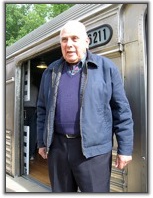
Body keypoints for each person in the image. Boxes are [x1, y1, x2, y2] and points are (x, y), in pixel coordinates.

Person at [37, 20, 134, 192]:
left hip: (93, 152)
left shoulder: (106, 68)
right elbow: (42, 110)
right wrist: (42, 142)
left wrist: (125, 149)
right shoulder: (50, 72)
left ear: (86, 41)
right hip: (58, 148)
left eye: (75, 38)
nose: (69, 44)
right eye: (64, 40)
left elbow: (121, 111)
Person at [24, 77, 38, 160]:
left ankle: (24, 153)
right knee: (32, 132)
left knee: (23, 132)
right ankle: (31, 154)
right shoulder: (35, 88)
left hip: (24, 110)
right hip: (33, 110)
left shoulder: (23, 88)